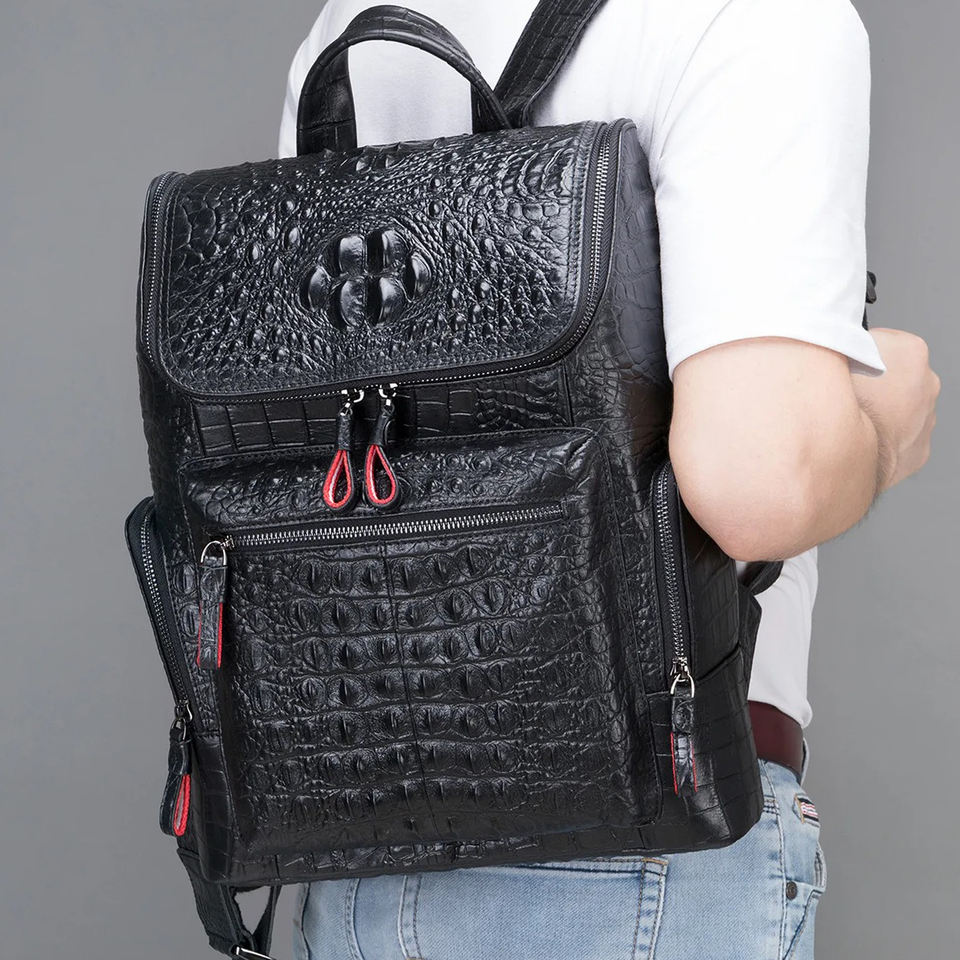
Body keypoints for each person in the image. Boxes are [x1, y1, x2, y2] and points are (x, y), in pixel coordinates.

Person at [277, 1, 941, 957]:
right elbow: (760, 482)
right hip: (643, 834)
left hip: (366, 833)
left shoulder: (353, 22)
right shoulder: (749, 15)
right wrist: (880, 424)